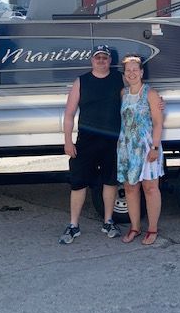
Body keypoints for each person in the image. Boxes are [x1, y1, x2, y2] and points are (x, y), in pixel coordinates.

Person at [59, 44, 123, 244]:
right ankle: (73, 225)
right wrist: (68, 141)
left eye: (105, 57)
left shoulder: (119, 79)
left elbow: (134, 99)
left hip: (112, 140)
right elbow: (69, 114)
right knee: (78, 183)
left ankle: (108, 221)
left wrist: (156, 102)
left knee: (110, 181)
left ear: (110, 60)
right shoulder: (81, 81)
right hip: (86, 141)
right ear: (92, 60)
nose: (101, 60)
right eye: (98, 57)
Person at [117, 54, 165, 246]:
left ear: (142, 72)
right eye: (128, 70)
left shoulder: (151, 94)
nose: (132, 73)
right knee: (130, 188)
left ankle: (152, 229)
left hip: (146, 147)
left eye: (135, 69)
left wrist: (154, 147)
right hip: (127, 147)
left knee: (150, 188)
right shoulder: (123, 94)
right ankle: (135, 227)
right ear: (125, 74)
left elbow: (158, 123)